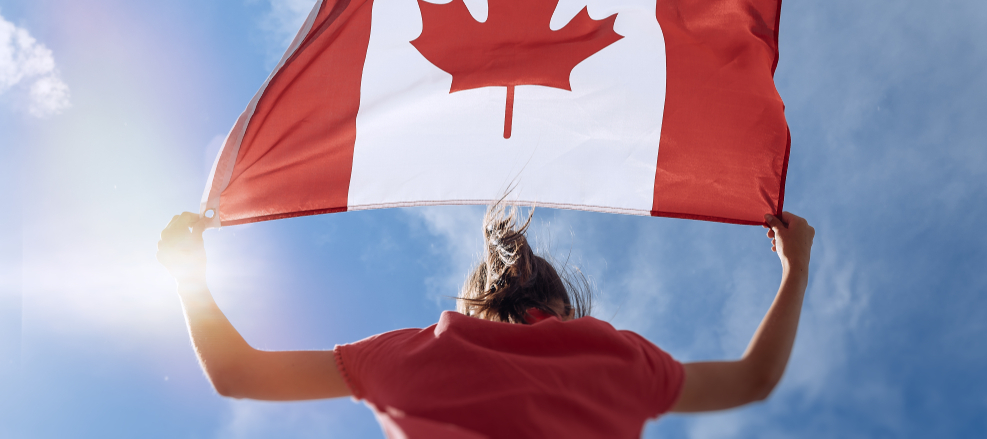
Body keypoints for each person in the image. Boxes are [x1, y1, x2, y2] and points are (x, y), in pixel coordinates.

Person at [158, 205, 814, 438]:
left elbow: (237, 372)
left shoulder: (410, 355)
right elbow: (753, 379)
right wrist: (795, 267)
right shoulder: (623, 362)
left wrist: (189, 273)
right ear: (561, 305)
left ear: (475, 302)